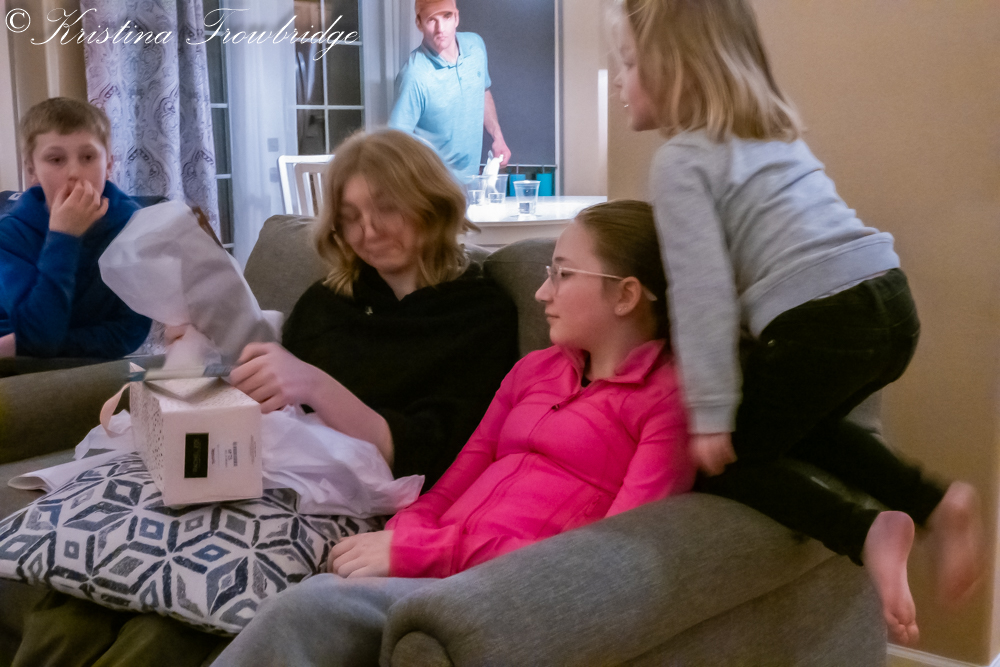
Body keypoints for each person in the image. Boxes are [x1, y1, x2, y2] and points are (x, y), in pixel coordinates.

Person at [10, 128, 520, 667]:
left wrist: (314, 384)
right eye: (350, 216)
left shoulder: (478, 315)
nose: (367, 232)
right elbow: (266, 395)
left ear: (430, 202)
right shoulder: (330, 299)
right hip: (255, 471)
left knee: (165, 626)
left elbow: (430, 457)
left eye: (386, 209)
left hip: (349, 501)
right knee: (76, 600)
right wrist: (173, 383)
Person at [613, 0, 984, 645]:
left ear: (673, 68)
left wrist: (710, 413)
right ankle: (934, 502)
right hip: (890, 301)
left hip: (823, 317)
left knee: (722, 463)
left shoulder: (682, 160)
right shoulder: (770, 135)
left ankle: (866, 530)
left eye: (627, 63)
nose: (618, 80)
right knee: (807, 430)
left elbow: (703, 291)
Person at [211, 200, 696, 667]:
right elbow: (457, 479)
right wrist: (404, 534)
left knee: (309, 609)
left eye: (563, 274)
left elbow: (607, 555)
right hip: (436, 562)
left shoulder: (666, 401)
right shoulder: (535, 370)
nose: (541, 293)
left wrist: (422, 553)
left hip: (505, 587)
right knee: (293, 595)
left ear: (626, 295)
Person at [0, 97, 151, 360]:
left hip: (100, 369)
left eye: (88, 157)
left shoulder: (134, 226)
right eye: (56, 159)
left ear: (108, 165)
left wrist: (23, 345)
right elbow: (38, 336)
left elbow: (131, 331)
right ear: (32, 171)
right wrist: (64, 237)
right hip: (20, 374)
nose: (74, 172)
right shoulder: (10, 236)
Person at [389, 0, 511, 176]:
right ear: (419, 23)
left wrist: (497, 137)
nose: (441, 28)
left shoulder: (475, 46)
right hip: (434, 184)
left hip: (472, 180)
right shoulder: (414, 76)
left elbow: (482, 91)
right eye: (432, 19)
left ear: (456, 18)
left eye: (446, 17)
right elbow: (394, 144)